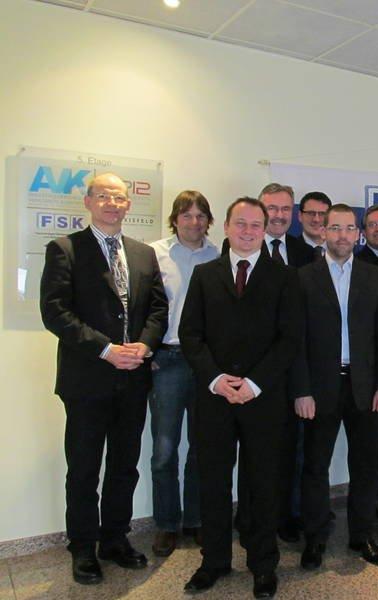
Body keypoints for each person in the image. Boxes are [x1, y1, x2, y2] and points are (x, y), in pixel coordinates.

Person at [40, 172, 168, 585]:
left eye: (119, 197)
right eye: (103, 196)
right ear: (88, 202)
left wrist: (145, 346)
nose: (112, 203)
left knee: (124, 465)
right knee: (83, 468)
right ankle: (83, 548)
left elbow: (158, 310)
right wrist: (106, 349)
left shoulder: (143, 253)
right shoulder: (65, 249)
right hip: (87, 379)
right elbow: (55, 312)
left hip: (134, 378)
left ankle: (115, 538)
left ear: (129, 204)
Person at [180, 197, 301, 597]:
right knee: (213, 482)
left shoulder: (284, 277)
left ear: (265, 230)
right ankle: (213, 561)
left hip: (262, 399)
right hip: (215, 397)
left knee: (262, 484)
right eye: (240, 223)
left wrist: (255, 383)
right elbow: (190, 334)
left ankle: (263, 564)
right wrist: (216, 379)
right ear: (226, 227)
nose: (248, 231)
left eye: (255, 225)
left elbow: (290, 339)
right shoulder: (205, 275)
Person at [292, 204, 378, 570]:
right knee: (315, 466)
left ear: (358, 234)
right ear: (323, 232)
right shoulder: (303, 277)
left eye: (349, 228)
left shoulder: (374, 276)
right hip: (319, 388)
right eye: (334, 228)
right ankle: (315, 538)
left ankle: (361, 535)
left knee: (366, 465)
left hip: (365, 386)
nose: (342, 235)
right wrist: (301, 390)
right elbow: (296, 340)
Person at [235, 183, 313, 545]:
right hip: (251, 374)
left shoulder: (305, 253)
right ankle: (249, 518)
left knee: (292, 449)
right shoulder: (239, 249)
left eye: (285, 209)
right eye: (271, 208)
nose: (278, 215)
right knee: (252, 454)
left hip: (292, 370)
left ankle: (288, 515)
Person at [149, 191, 219, 557]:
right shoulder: (153, 254)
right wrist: (148, 351)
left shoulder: (219, 256)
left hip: (205, 361)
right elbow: (143, 307)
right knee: (164, 450)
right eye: (186, 215)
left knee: (202, 448)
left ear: (209, 221)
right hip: (168, 360)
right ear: (175, 219)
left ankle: (195, 519)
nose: (194, 222)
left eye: (200, 215)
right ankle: (166, 524)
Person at [298, 191, 331, 258]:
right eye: (311, 213)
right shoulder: (288, 251)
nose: (316, 220)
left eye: (322, 214)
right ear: (300, 216)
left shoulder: (341, 251)